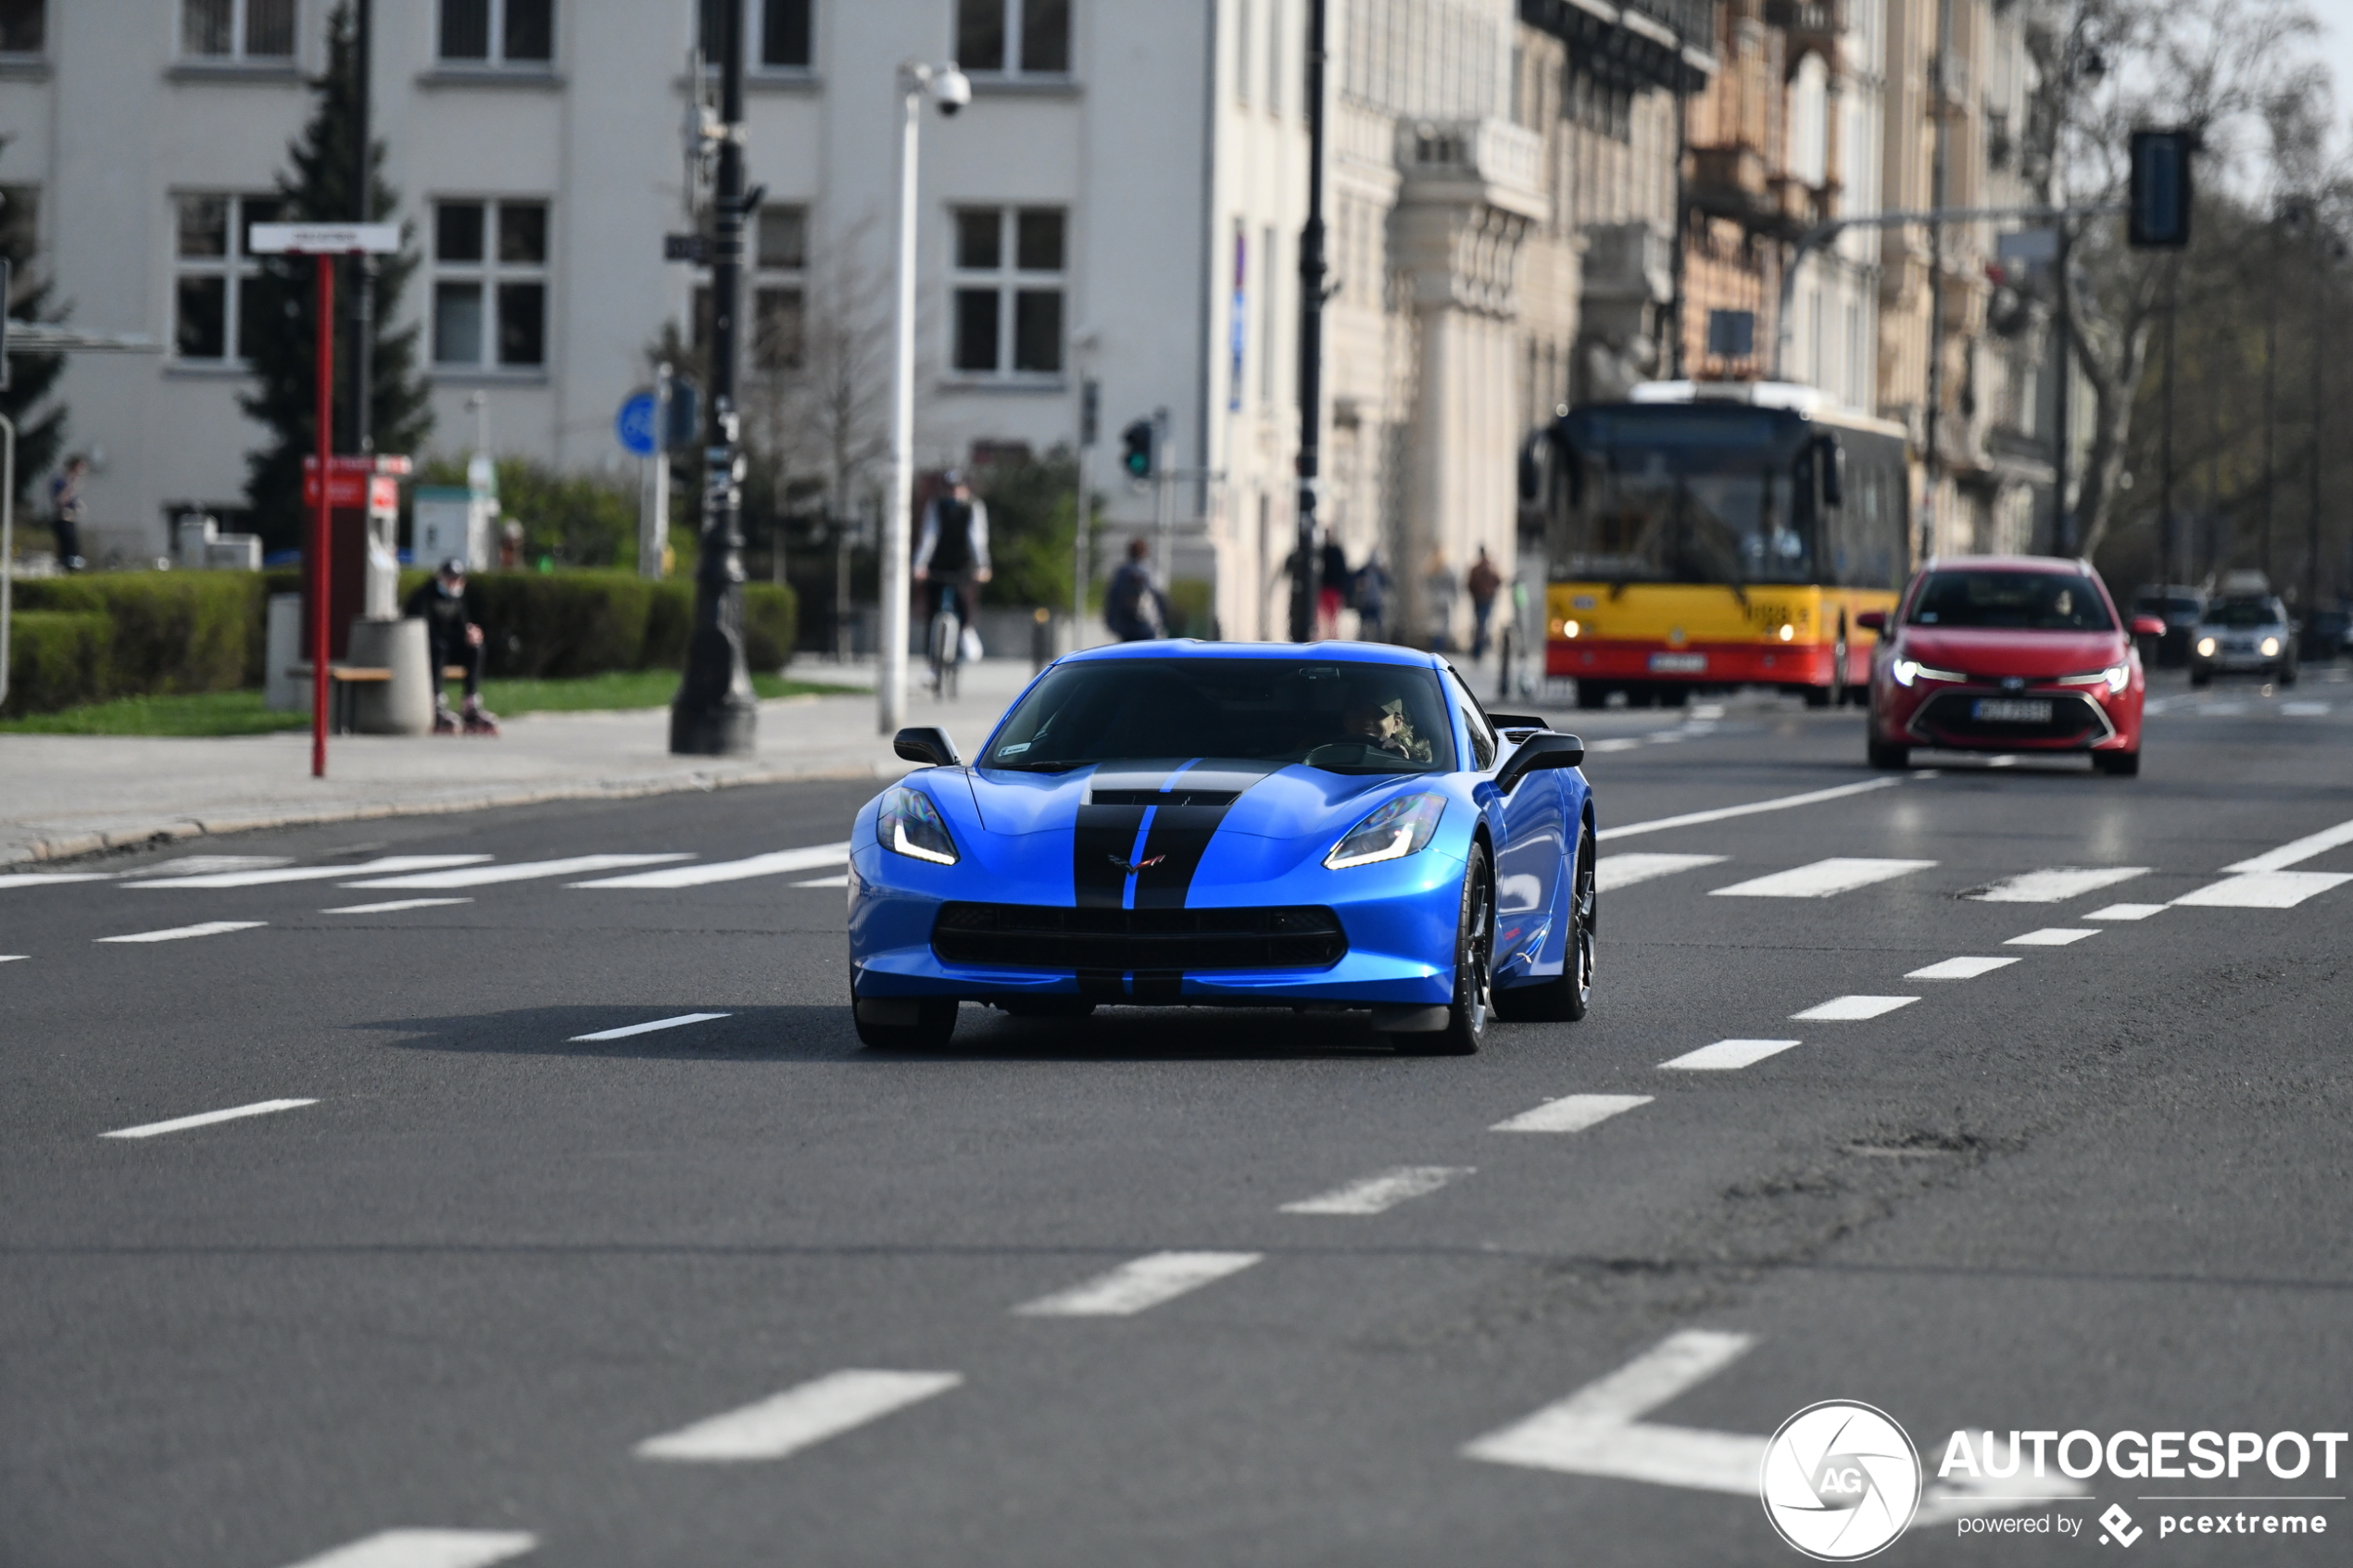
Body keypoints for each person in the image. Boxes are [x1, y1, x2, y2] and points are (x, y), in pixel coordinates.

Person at [402, 558, 498, 734]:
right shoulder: (425, 596)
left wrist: (470, 633)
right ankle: (436, 702)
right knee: (439, 647)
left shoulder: (457, 597)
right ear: (440, 577)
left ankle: (470, 703)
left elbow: (461, 624)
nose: (453, 583)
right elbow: (421, 629)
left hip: (447, 646)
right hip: (425, 649)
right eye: (449, 578)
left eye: (457, 579)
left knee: (476, 648)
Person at [912, 469, 992, 645]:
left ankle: (966, 632)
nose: (954, 492)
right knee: (932, 611)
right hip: (938, 564)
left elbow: (977, 539)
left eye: (957, 487)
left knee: (963, 601)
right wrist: (920, 564)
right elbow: (929, 535)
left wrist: (983, 566)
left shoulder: (973, 507)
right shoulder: (937, 505)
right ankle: (932, 659)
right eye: (950, 488)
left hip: (962, 564)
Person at [1104, 537, 1169, 642]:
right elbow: (1160, 597)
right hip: (1148, 625)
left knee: (1128, 655)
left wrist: (1111, 622)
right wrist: (1163, 621)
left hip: (1126, 626)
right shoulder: (1150, 572)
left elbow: (1113, 597)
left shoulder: (1122, 573)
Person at [47, 455, 88, 573]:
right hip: (62, 520)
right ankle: (67, 569)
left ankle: (74, 569)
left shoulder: (72, 483)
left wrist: (78, 506)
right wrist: (71, 486)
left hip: (70, 520)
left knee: (75, 549)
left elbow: (72, 501)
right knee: (67, 551)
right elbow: (60, 501)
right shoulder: (62, 481)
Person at [1466, 545, 1503, 660]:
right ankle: (1478, 649)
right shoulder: (1490, 568)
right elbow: (1499, 580)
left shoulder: (1476, 568)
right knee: (1482, 624)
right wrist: (1491, 592)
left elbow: (1470, 584)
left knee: (1479, 624)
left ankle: (1477, 649)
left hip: (1479, 599)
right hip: (1486, 599)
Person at [1422, 548, 1459, 653]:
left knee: (1435, 625)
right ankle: (1439, 647)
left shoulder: (1430, 568)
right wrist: (1454, 598)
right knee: (1443, 625)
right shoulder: (1446, 569)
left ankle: (1436, 646)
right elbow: (1453, 585)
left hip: (1433, 599)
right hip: (1443, 599)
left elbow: (1426, 585)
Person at [1317, 531, 1351, 639]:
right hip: (1330, 589)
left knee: (1327, 617)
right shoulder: (1333, 552)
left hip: (1328, 588)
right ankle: (1331, 638)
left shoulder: (1321, 552)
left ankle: (1328, 637)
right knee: (1330, 617)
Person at [1353, 552, 1390, 644]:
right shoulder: (1363, 572)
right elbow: (1354, 582)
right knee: (1363, 624)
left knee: (1378, 625)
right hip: (1365, 602)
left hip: (1375, 602)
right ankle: (1361, 641)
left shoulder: (1379, 573)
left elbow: (1387, 584)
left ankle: (1381, 641)